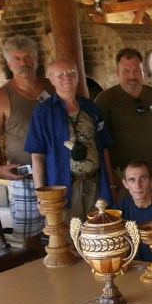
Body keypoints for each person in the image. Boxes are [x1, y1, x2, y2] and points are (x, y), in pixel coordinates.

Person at [0, 34, 52, 252]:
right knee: (30, 237)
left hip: (58, 170)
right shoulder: (0, 98)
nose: (24, 63)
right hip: (24, 176)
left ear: (36, 59)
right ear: (9, 63)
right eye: (18, 58)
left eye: (28, 57)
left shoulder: (53, 87)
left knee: (66, 228)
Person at [25, 58, 113, 221]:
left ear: (78, 76)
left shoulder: (92, 108)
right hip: (63, 189)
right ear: (51, 79)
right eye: (59, 73)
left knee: (98, 233)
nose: (66, 76)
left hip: (95, 185)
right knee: (68, 234)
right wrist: (41, 197)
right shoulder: (42, 113)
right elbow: (37, 156)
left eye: (71, 72)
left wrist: (111, 184)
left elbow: (104, 148)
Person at [95, 48, 152, 196]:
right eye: (126, 71)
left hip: (149, 172)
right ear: (117, 72)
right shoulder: (105, 100)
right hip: (120, 176)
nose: (132, 76)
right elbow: (97, 142)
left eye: (137, 71)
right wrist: (110, 179)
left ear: (143, 71)